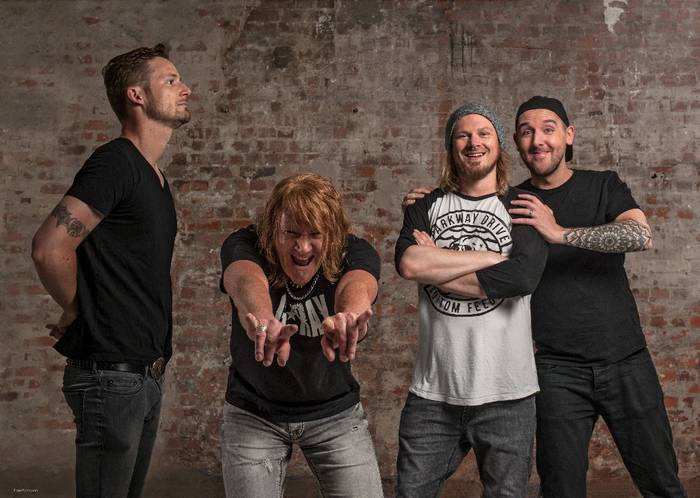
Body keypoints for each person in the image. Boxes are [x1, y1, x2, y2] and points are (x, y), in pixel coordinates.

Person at [31, 44, 191, 498]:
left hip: (143, 374)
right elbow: (48, 248)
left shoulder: (153, 177)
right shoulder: (115, 163)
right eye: (171, 80)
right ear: (136, 95)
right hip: (110, 376)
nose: (185, 89)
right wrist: (78, 309)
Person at [508, 96, 686, 498]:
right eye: (526, 132)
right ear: (518, 143)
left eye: (548, 129)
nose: (538, 140)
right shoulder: (511, 202)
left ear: (568, 135)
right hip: (555, 371)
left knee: (662, 484)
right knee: (560, 489)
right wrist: (424, 205)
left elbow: (639, 235)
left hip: (626, 361)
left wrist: (558, 233)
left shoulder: (603, 185)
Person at [394, 103, 548, 497]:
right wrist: (495, 259)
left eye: (483, 133)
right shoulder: (424, 205)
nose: (473, 142)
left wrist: (439, 262)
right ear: (451, 147)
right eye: (462, 135)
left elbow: (522, 278)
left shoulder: (523, 207)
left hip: (508, 395)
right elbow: (410, 264)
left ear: (499, 145)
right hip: (434, 393)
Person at [219, 173, 383, 498]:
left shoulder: (354, 251)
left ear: (332, 235)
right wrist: (263, 320)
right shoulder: (244, 244)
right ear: (272, 231)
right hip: (254, 413)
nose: (303, 247)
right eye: (291, 234)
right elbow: (245, 281)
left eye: (315, 235)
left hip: (335, 414)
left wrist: (349, 316)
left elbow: (358, 285)